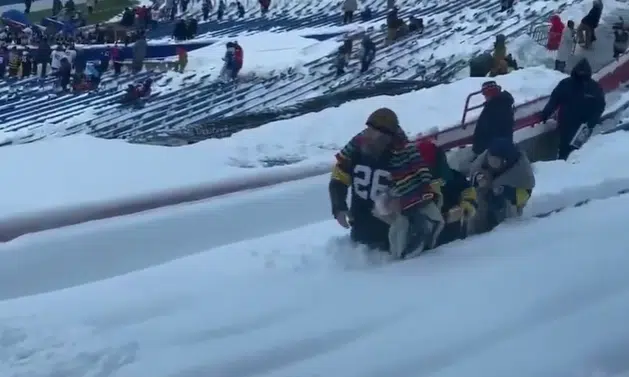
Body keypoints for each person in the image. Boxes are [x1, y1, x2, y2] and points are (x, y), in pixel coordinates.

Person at [329, 108, 442, 259]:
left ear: (387, 137)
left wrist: (401, 204)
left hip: (391, 238)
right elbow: (338, 177)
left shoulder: (404, 158)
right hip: (360, 231)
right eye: (368, 129)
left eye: (374, 132)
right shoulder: (355, 150)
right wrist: (339, 206)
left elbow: (420, 194)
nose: (368, 135)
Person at [539, 58, 605, 160]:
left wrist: (592, 122)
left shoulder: (593, 87)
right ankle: (563, 164)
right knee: (565, 149)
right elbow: (554, 100)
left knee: (579, 151)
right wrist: (545, 114)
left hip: (584, 126)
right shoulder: (566, 84)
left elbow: (600, 106)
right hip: (567, 124)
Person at [468, 138, 535, 234]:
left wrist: (507, 192)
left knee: (505, 206)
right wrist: (478, 178)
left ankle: (506, 232)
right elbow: (474, 173)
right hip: (486, 196)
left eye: (495, 161)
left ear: (505, 162)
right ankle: (476, 232)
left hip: (508, 200)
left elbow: (526, 192)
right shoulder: (483, 160)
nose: (491, 163)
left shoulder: (521, 169)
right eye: (490, 159)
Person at [417, 140, 477, 246]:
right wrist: (446, 217)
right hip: (427, 244)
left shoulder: (453, 177)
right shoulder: (413, 186)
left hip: (457, 239)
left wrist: (466, 205)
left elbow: (468, 191)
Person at [472, 80, 515, 157]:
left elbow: (487, 131)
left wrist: (477, 149)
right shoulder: (503, 103)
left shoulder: (493, 109)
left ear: (490, 94)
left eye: (485, 94)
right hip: (500, 146)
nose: (485, 97)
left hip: (494, 151)